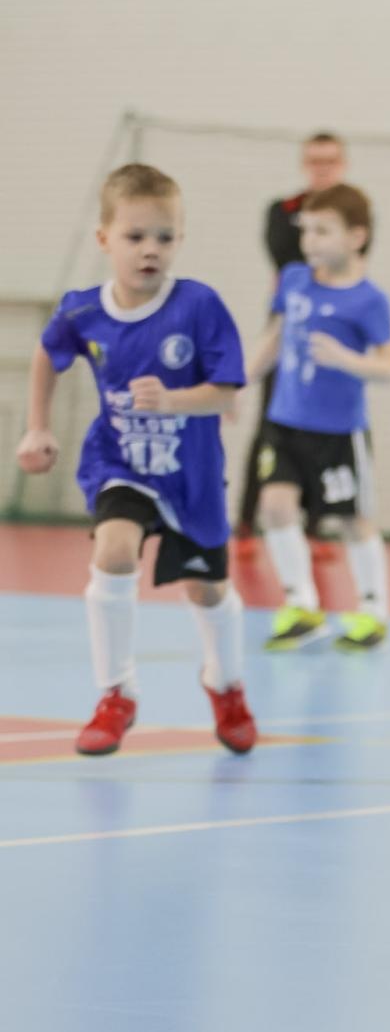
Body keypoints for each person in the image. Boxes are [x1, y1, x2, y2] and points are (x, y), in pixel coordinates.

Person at [15, 163, 257, 756]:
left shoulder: (199, 307)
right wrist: (38, 427)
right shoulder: (81, 312)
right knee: (113, 550)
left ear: (179, 240)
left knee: (208, 592)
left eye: (164, 237)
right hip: (120, 461)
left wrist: (175, 398)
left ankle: (225, 686)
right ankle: (116, 694)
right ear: (105, 240)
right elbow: (49, 355)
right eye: (135, 236)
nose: (150, 250)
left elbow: (227, 393)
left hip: (190, 476)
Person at [247, 184, 390, 651]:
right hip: (284, 421)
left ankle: (373, 611)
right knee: (273, 506)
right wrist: (237, 382)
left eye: (323, 231)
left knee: (352, 520)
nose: (310, 240)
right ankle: (302, 605)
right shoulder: (294, 279)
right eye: (306, 230)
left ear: (356, 236)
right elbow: (274, 336)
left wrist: (346, 360)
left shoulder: (369, 300)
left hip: (337, 432)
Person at [237, 132, 350, 544]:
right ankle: (246, 522)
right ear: (305, 164)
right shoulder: (282, 210)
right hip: (288, 322)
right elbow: (285, 256)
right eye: (315, 161)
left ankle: (316, 524)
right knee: (272, 419)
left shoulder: (354, 215)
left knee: (326, 424)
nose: (322, 169)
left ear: (342, 165)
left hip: (334, 328)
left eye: (330, 162)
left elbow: (350, 261)